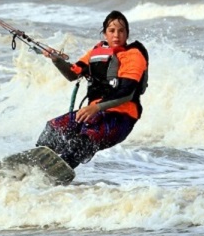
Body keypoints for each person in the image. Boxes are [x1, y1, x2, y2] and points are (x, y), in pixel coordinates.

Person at [37, 10, 148, 168]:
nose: (116, 35)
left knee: (82, 142)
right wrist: (56, 60)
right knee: (53, 129)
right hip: (94, 112)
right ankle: (33, 166)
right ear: (104, 34)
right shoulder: (96, 52)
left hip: (121, 117)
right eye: (112, 31)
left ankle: (55, 173)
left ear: (127, 34)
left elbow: (126, 93)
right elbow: (73, 74)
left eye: (121, 31)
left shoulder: (134, 55)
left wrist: (95, 107)